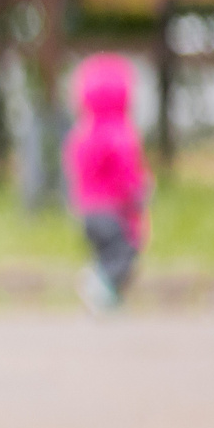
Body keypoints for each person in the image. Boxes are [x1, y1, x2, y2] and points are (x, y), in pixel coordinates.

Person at [63, 53, 151, 313]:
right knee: (124, 250)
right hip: (112, 208)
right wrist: (139, 192)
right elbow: (127, 173)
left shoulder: (82, 132)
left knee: (105, 251)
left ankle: (106, 291)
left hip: (86, 209)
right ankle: (100, 284)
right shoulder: (119, 134)